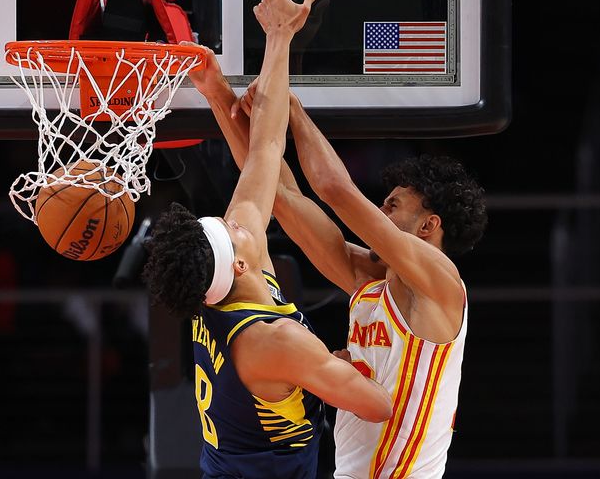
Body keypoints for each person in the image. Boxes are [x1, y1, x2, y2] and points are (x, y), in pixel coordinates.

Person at [141, 0, 392, 479]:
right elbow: (378, 406)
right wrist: (334, 367)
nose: (241, 220)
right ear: (239, 261)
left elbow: (265, 149)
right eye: (233, 230)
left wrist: (245, 66)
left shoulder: (224, 278)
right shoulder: (273, 342)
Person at [192, 70, 487, 476]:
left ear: (428, 226)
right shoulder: (368, 282)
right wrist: (217, 93)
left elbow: (335, 188)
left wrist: (291, 108)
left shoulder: (442, 284)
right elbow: (278, 195)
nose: (380, 214)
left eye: (393, 205)